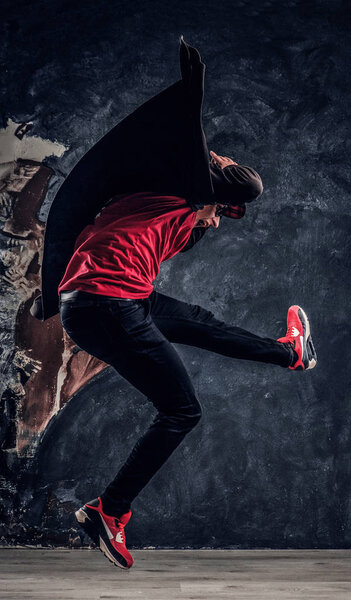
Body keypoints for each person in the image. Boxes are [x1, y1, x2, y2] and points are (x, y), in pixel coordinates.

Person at [58, 149, 317, 569]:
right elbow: (249, 185)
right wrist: (220, 163)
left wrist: (211, 210)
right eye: (219, 211)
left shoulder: (178, 223)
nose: (216, 221)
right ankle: (109, 509)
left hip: (116, 300)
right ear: (204, 188)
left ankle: (291, 353)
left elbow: (208, 218)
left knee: (199, 322)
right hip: (107, 303)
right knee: (182, 410)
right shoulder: (173, 192)